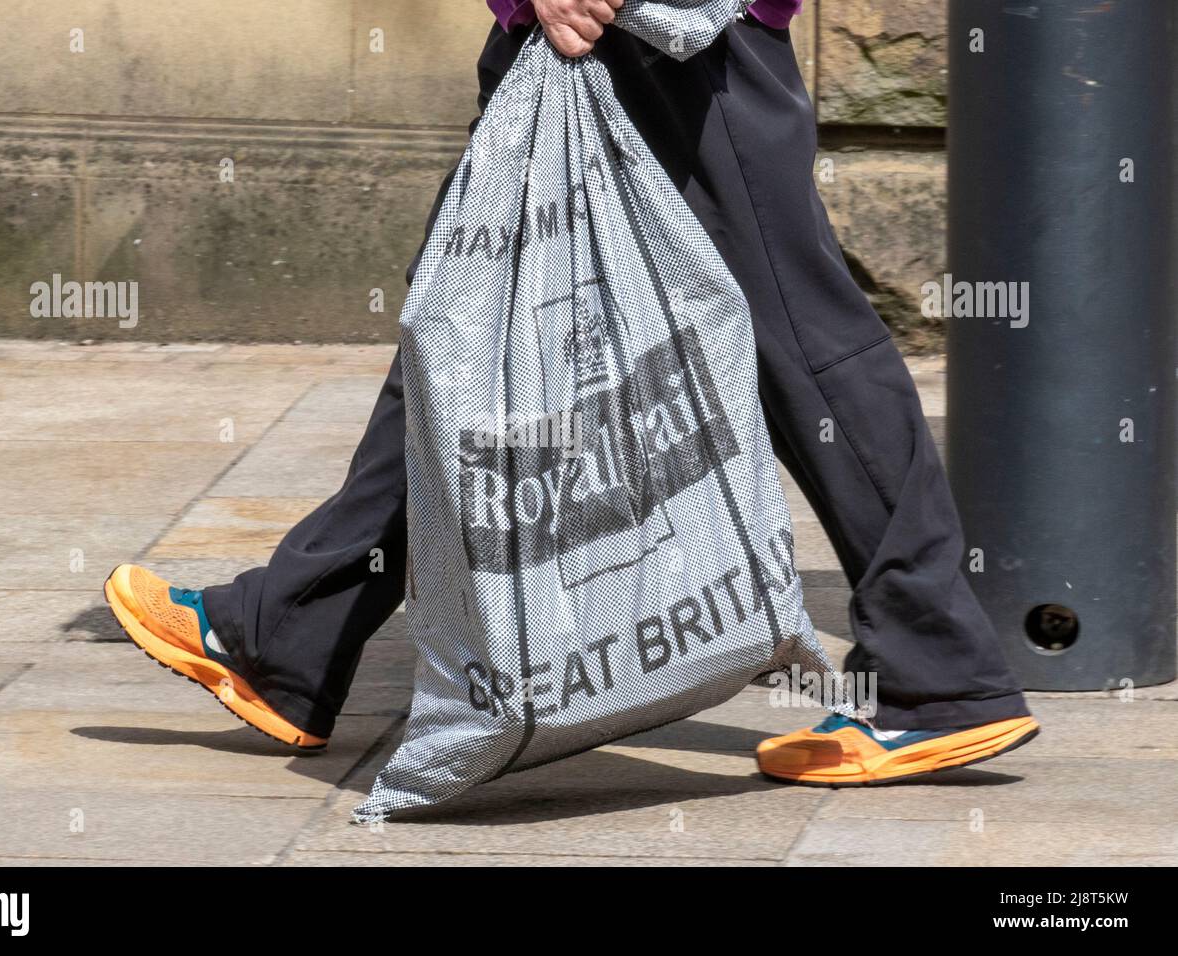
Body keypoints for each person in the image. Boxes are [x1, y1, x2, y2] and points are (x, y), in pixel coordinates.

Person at [104, 0, 1039, 786]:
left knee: (801, 339)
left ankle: (939, 670)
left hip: (658, 36)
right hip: (631, 33)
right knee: (469, 337)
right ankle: (290, 637)